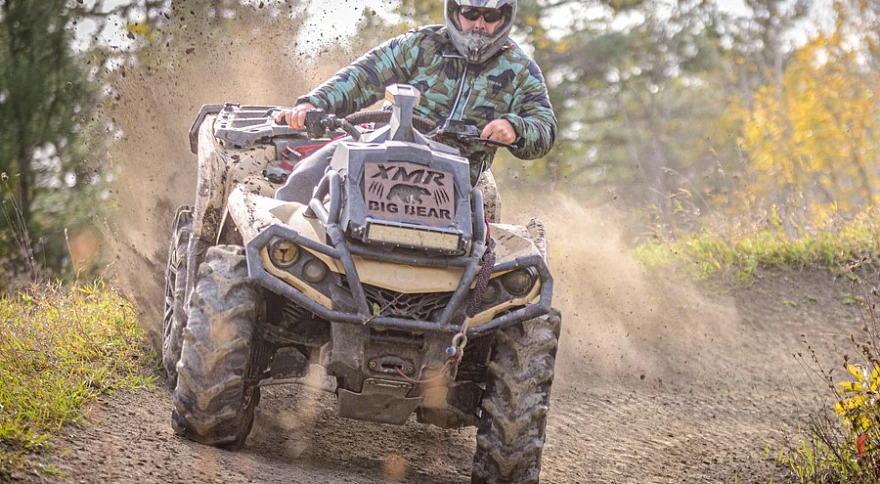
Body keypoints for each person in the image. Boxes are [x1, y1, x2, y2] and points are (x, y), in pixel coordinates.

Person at [274, 0, 556, 208]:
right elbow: (363, 77)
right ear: (455, 11)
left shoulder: (520, 69)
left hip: (453, 184)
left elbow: (544, 127)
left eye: (490, 15)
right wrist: (313, 104)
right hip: (377, 151)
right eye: (470, 13)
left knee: (493, 266)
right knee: (304, 182)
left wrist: (515, 128)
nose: (479, 25)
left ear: (504, 16)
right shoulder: (422, 44)